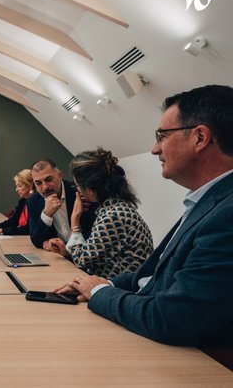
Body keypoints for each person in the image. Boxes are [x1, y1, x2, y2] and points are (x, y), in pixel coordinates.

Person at [54, 85, 233, 351]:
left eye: (162, 136)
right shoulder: (206, 201)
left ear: (200, 138)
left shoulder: (226, 215)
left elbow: (172, 318)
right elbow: (149, 276)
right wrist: (107, 284)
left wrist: (99, 293)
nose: (154, 149)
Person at [43, 149, 154, 278]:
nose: (77, 191)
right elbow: (95, 255)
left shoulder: (113, 216)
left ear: (90, 190)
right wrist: (68, 253)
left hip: (119, 291)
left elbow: (81, 260)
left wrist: (74, 220)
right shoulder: (117, 208)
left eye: (77, 186)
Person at [26, 159, 97, 248]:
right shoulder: (33, 201)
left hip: (84, 253)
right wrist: (46, 214)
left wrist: (66, 247)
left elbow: (95, 233)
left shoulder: (80, 192)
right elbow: (37, 241)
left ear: (60, 175)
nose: (45, 187)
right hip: (57, 256)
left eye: (49, 179)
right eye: (38, 183)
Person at [0, 169, 33, 235]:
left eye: (20, 186)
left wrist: (0, 230)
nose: (16, 189)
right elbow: (13, 221)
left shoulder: (37, 203)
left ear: (30, 186)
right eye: (16, 186)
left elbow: (28, 229)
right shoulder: (23, 201)